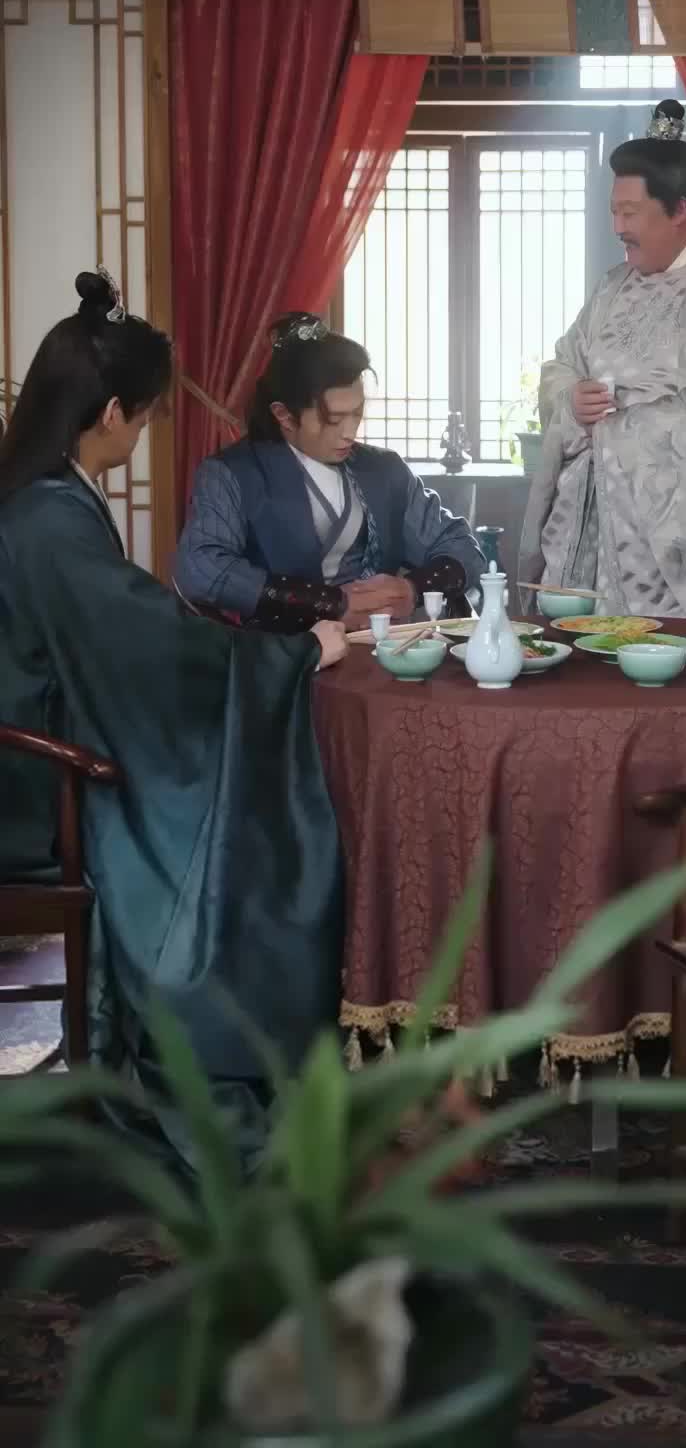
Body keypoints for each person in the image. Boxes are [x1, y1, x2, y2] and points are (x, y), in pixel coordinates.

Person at [0, 272, 347, 1165]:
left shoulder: (46, 495)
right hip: (32, 776)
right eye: (148, 415)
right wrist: (293, 656)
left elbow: (131, 629)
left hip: (46, 730)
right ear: (112, 412)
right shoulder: (47, 517)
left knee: (204, 776)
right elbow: (144, 636)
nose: (147, 430)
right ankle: (217, 1052)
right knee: (224, 821)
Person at [519, 100, 686, 618]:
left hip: (673, 548)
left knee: (670, 656)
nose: (617, 226)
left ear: (680, 209)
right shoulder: (611, 288)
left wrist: (621, 431)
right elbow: (563, 363)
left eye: (630, 212)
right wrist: (570, 398)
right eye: (613, 211)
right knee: (577, 650)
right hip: (585, 522)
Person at [174, 314, 486, 631]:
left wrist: (411, 589)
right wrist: (330, 603)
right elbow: (200, 568)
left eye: (357, 414)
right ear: (284, 415)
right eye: (334, 420)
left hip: (380, 645)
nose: (349, 432)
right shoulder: (232, 474)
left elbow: (461, 545)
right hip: (282, 651)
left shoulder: (384, 470)